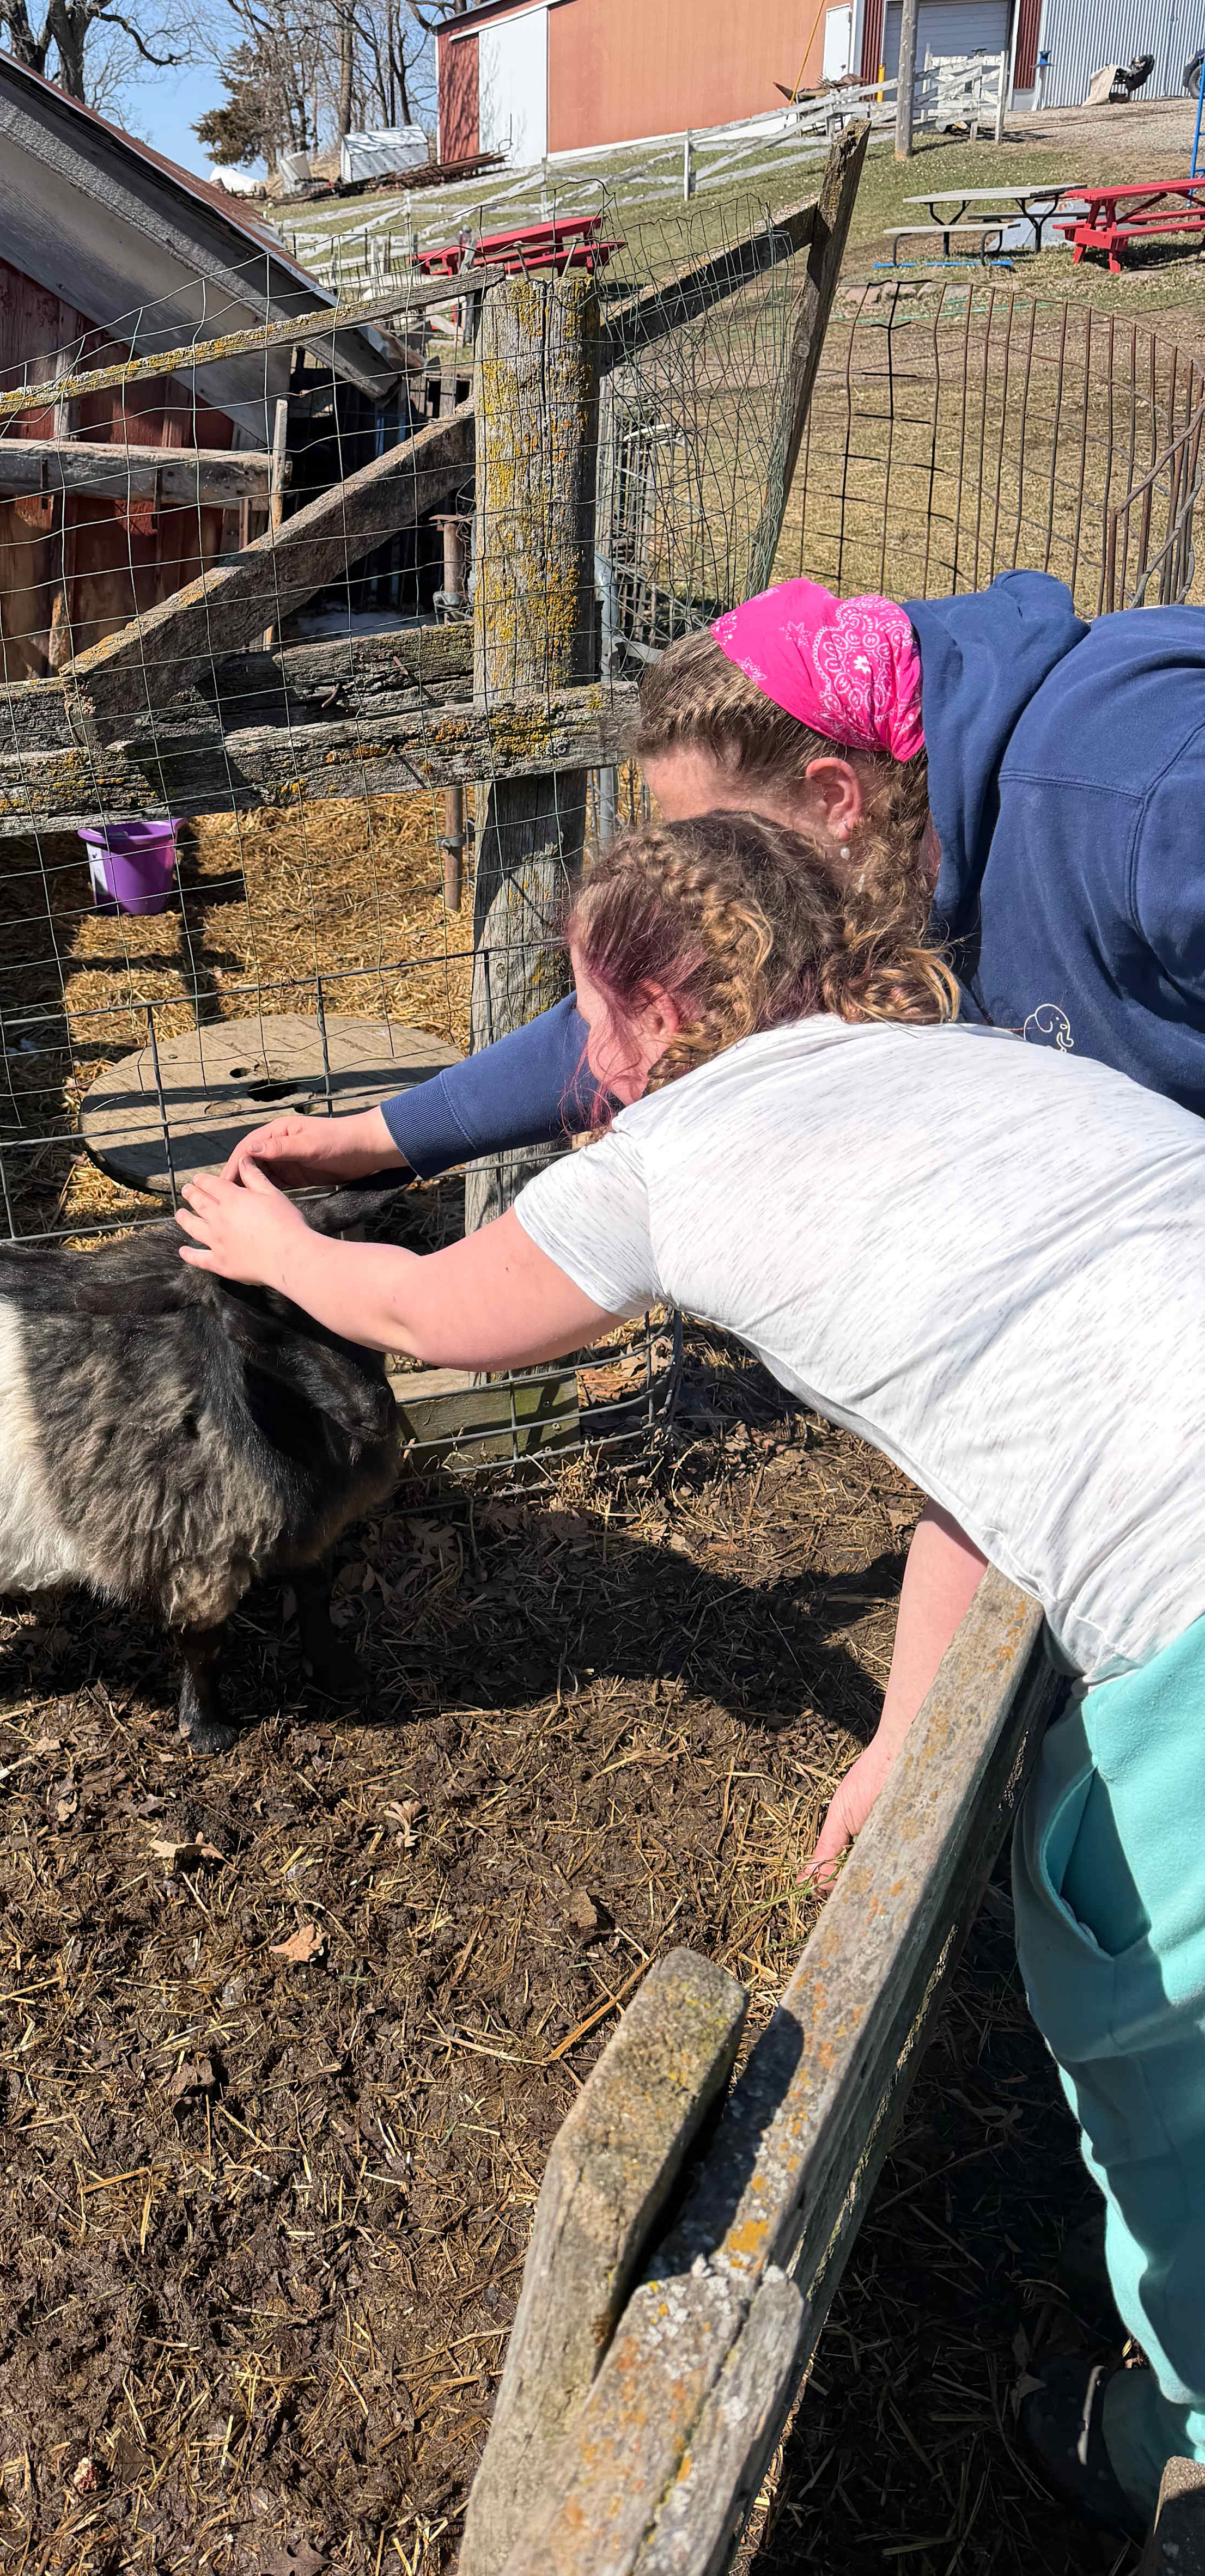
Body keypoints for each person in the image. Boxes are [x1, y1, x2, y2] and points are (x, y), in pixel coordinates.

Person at [178, 810, 1205, 2541]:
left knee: (1147, 2026)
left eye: (582, 1018)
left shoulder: (665, 1157)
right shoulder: (979, 1065)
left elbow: (431, 1312)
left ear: (650, 1011)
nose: (577, 1064)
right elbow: (972, 1439)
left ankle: (1189, 2436)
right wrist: (910, 1729)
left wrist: (278, 1252)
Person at [223, 570, 1205, 1192]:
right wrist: (376, 1140)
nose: (712, 886)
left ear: (835, 795)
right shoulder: (866, 856)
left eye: (726, 843)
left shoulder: (1150, 794)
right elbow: (650, 1017)